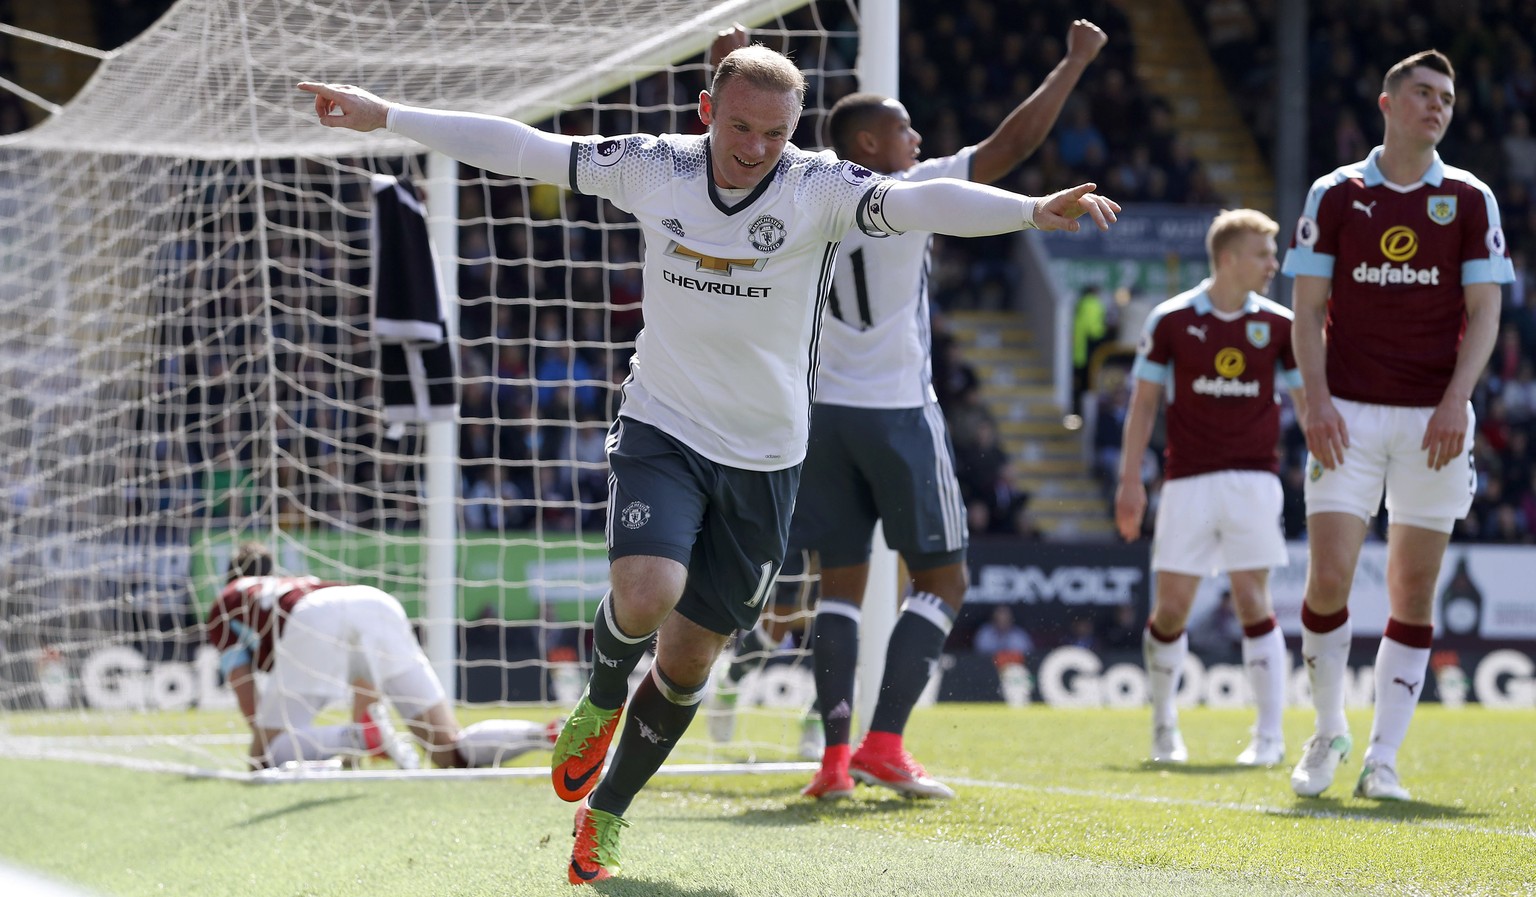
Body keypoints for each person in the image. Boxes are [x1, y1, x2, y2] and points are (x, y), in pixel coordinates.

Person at [299, 40, 1117, 884]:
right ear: (705, 111)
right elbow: (521, 147)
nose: (755, 146)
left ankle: (604, 814)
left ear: (795, 130)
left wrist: (1028, 209)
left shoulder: (819, 188)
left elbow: (924, 202)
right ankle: (603, 696)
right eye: (740, 126)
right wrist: (384, 114)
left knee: (691, 660)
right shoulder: (656, 166)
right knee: (647, 592)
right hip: (666, 423)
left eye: (774, 131)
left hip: (768, 456)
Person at [792, 19, 1108, 804]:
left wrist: (730, 64)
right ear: (868, 144)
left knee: (838, 585)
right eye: (904, 129)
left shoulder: (802, 190)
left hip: (820, 417)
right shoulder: (908, 194)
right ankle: (886, 743)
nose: (918, 137)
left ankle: (833, 760)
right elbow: (1010, 146)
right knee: (943, 579)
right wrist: (1070, 64)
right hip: (897, 411)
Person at [1280, 50, 1511, 801]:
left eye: (1446, 96)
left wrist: (1456, 401)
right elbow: (1308, 308)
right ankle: (1325, 730)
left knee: (1413, 591)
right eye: (1422, 92)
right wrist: (1313, 401)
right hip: (1345, 411)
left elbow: (1486, 315)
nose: (1437, 105)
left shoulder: (1470, 198)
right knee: (1329, 578)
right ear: (1387, 103)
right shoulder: (1336, 193)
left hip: (1435, 420)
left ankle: (1384, 758)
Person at [1115, 208, 1304, 768]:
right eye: (1262, 254)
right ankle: (1163, 726)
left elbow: (1305, 401)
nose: (1273, 264)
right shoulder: (1171, 321)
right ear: (1228, 259)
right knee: (1171, 611)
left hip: (1254, 479)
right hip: (1187, 481)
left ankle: (1269, 737)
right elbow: (1143, 404)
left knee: (1253, 600)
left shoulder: (1279, 325)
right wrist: (1131, 482)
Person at [205, 542, 559, 771]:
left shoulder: (227, 601)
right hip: (375, 602)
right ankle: (546, 734)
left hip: (312, 617)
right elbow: (363, 676)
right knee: (450, 751)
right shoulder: (294, 584)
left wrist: (268, 745)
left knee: (262, 759)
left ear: (230, 577)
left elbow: (243, 685)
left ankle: (356, 739)